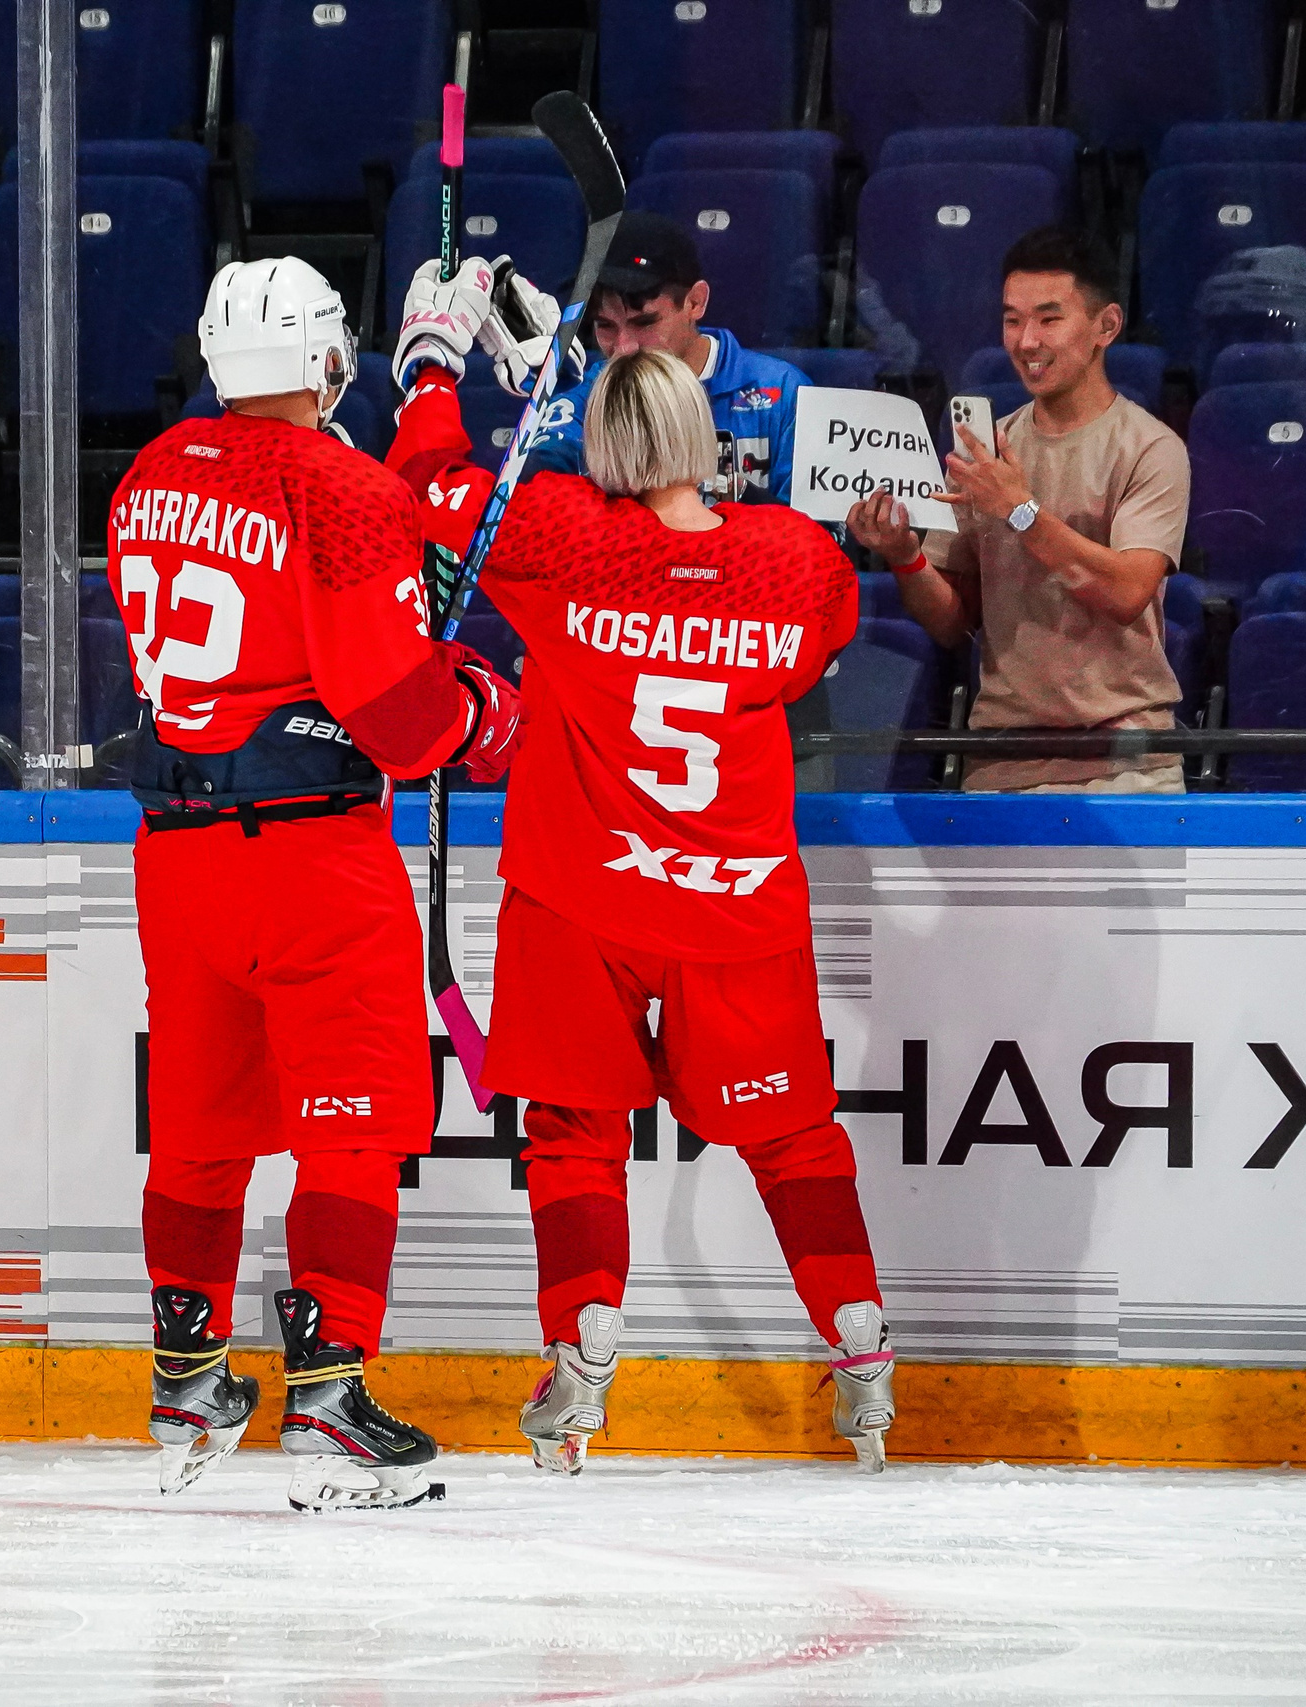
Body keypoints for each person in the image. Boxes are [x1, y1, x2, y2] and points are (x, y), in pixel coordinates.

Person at [387, 270, 896, 1476]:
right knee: (795, 1140)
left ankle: (585, 1347)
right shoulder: (792, 559)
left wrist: (431, 367)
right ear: (703, 437)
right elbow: (818, 633)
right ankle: (860, 1344)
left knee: (574, 1135)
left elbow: (426, 490)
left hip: (583, 895)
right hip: (737, 902)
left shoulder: (559, 538)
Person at [110, 256, 523, 1512]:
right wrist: (485, 710)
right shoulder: (344, 490)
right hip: (309, 856)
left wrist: (423, 420)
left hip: (178, 857)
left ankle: (187, 1376)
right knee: (354, 1117)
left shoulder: (151, 470)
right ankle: (330, 1395)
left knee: (198, 1123)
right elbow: (399, 720)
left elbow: (305, 544)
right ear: (330, 360)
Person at [847, 225, 1191, 794]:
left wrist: (1020, 510)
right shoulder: (984, 450)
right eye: (1012, 320)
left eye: (1049, 319)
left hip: (1126, 760)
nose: (1027, 340)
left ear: (1106, 325)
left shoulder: (1151, 448)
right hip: (1001, 755)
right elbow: (952, 622)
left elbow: (1128, 593)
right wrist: (905, 556)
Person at [485, 209, 810, 505]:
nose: (624, 347)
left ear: (696, 302)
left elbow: (822, 541)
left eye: (645, 322)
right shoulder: (585, 394)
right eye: (605, 326)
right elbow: (527, 497)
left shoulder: (783, 391)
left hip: (748, 570)